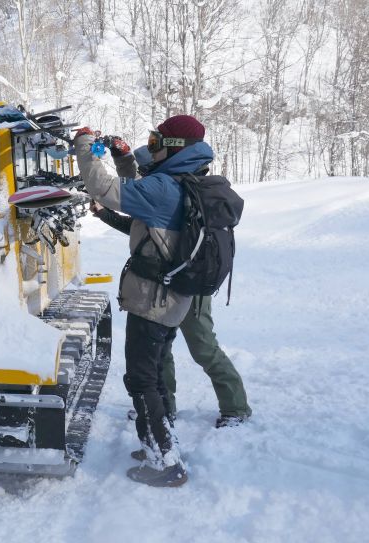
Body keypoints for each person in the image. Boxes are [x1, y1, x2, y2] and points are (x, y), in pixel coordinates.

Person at [74, 115, 217, 487]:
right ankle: (157, 439)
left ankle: (165, 461)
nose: (150, 146)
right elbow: (138, 195)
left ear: (174, 148)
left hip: (154, 301)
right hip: (168, 299)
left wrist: (85, 145)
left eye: (156, 141)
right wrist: (124, 159)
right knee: (151, 375)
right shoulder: (179, 181)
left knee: (142, 379)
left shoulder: (166, 187)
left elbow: (103, 187)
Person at [90, 145, 253, 431]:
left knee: (203, 347)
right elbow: (143, 228)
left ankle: (236, 407)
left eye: (143, 170)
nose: (142, 176)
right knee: (160, 351)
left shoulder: (171, 190)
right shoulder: (162, 189)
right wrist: (105, 214)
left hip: (191, 285)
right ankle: (164, 409)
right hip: (172, 282)